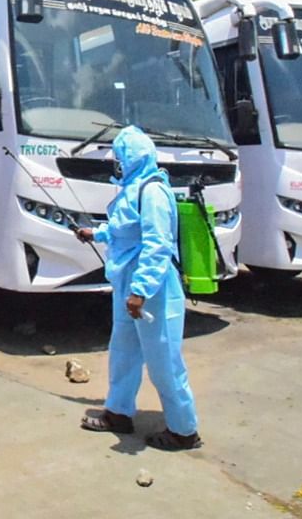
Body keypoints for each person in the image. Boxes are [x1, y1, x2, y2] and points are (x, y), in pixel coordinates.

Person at [74, 125, 201, 450]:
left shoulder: (153, 191)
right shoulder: (132, 188)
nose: (115, 163)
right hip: (127, 285)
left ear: (132, 157)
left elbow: (157, 245)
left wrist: (140, 291)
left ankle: (184, 430)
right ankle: (118, 412)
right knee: (124, 353)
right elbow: (123, 229)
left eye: (119, 157)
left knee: (164, 361)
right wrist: (96, 234)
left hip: (153, 291)